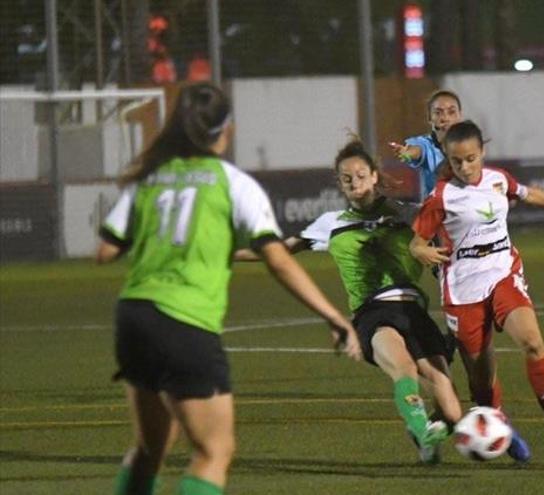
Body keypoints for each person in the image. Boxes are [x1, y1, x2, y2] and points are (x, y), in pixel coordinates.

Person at [97, 82, 361, 495]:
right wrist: (333, 316)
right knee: (214, 451)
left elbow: (105, 250)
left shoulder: (151, 177)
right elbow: (277, 259)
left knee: (152, 447)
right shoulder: (233, 183)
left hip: (133, 316)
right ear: (227, 129)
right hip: (185, 319)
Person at [235, 137, 463, 463]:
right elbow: (278, 250)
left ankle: (423, 430)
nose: (354, 181)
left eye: (359, 174)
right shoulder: (331, 224)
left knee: (450, 404)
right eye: (346, 178)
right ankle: (422, 427)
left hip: (413, 310)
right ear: (339, 184)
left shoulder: (407, 214)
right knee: (404, 368)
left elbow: (446, 235)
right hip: (373, 312)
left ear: (373, 176)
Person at [409, 120, 544, 461]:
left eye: (470, 158)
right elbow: (416, 242)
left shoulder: (497, 179)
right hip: (463, 288)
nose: (464, 167)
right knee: (481, 379)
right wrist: (421, 250)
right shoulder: (441, 196)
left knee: (532, 341)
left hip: (502, 272)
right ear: (448, 161)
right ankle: (501, 430)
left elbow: (527, 193)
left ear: (482, 152)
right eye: (456, 161)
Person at [388, 89, 463, 200]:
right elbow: (417, 150)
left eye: (451, 112)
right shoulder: (425, 144)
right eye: (438, 113)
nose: (445, 118)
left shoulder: (469, 143)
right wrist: (407, 153)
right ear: (429, 117)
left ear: (460, 115)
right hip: (434, 212)